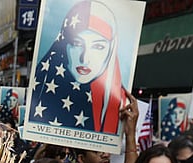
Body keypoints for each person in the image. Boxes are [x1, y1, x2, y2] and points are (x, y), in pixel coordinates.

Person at [28, 0, 123, 134]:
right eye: (77, 44)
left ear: (111, 49)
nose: (84, 58)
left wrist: (130, 134)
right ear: (64, 45)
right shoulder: (43, 90)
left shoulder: (121, 103)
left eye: (98, 46)